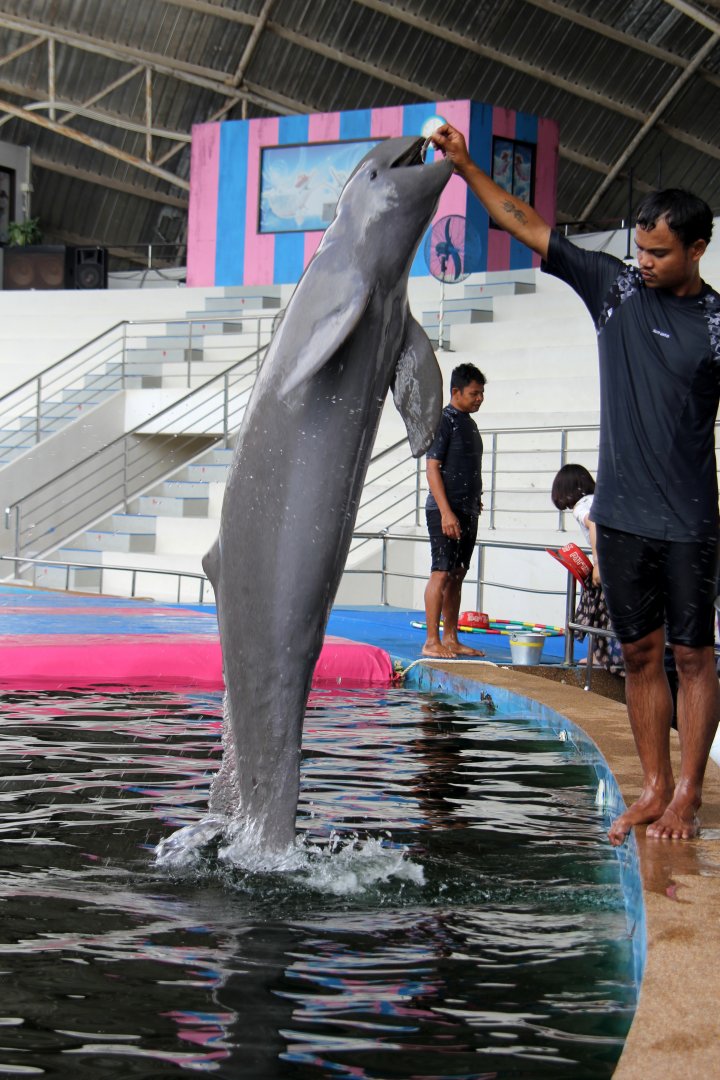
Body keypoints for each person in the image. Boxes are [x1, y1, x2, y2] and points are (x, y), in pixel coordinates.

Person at [432, 122, 720, 845]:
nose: (645, 262)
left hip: (690, 519)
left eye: (659, 253)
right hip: (621, 517)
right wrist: (466, 168)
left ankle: (688, 793)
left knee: (695, 656)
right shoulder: (615, 289)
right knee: (642, 655)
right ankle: (653, 787)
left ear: (697, 250)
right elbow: (524, 221)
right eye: (640, 249)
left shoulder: (717, 324)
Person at [423, 363, 486, 660]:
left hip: (467, 508)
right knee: (441, 572)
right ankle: (431, 641)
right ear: (455, 392)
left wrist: (474, 499)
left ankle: (450, 637)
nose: (479, 398)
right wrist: (447, 512)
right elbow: (432, 468)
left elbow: (467, 467)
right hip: (444, 510)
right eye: (474, 393)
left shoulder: (469, 423)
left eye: (482, 393)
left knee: (458, 573)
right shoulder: (443, 421)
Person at [551, 463, 624, 674]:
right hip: (625, 563)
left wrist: (599, 564)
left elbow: (595, 524)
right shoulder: (600, 500)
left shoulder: (582, 506)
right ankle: (604, 653)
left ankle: (598, 655)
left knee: (598, 609)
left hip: (612, 566)